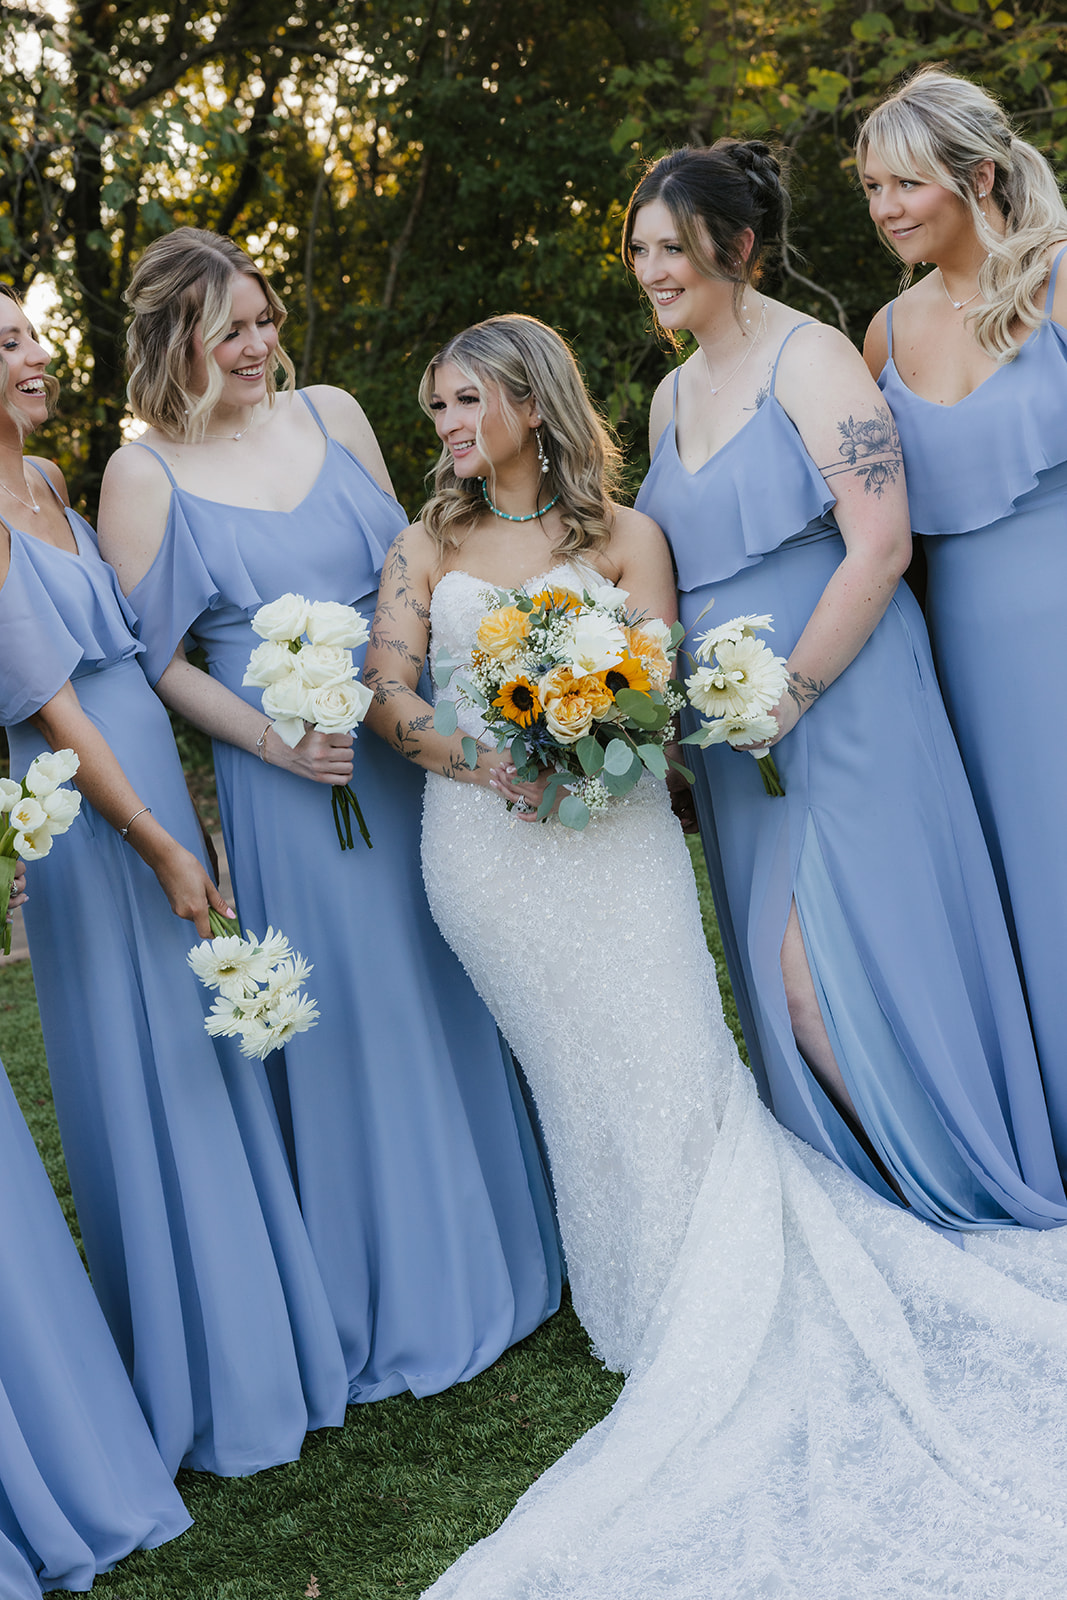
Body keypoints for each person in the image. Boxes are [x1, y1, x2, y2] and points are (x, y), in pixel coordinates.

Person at [360, 311, 1067, 1599]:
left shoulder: (626, 537)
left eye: (467, 403)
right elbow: (392, 695)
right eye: (438, 413)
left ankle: (717, 1275)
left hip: (617, 839)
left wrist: (591, 733)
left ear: (529, 402)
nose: (451, 431)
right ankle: (631, 1296)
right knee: (573, 1068)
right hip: (486, 850)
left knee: (673, 1041)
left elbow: (655, 683)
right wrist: (493, 757)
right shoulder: (421, 547)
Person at [98, 229, 562, 1404]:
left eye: (263, 320)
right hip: (292, 779)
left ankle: (512, 1248)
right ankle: (396, 1293)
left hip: (409, 745)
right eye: (230, 331)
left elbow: (418, 555)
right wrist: (275, 741)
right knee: (354, 1017)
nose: (259, 347)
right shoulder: (141, 475)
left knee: (452, 971)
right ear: (174, 343)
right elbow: (157, 662)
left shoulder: (335, 412)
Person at [627, 140, 1067, 1231]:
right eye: (636, 250)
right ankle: (870, 1209)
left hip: (840, 701)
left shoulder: (814, 357)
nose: (650, 271)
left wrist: (788, 694)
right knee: (786, 987)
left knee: (833, 977)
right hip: (734, 746)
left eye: (671, 248)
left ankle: (949, 1189)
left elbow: (877, 545)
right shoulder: (665, 397)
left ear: (734, 246)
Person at [0, 280, 350, 1476]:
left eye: (31, 330)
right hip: (96, 821)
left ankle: (280, 1346)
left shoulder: (46, 487)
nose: (38, 354)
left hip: (146, 785)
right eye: (9, 344)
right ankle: (215, 1387)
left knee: (209, 1058)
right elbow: (51, 711)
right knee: (154, 1076)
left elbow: (135, 659)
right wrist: (158, 841)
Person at [859, 66, 1067, 1166]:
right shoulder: (882, 337)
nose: (887, 207)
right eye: (871, 188)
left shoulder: (1058, 282)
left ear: (976, 174)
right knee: (1012, 890)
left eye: (905, 182)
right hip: (961, 661)